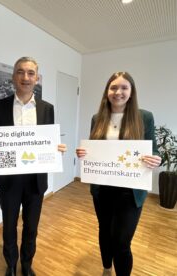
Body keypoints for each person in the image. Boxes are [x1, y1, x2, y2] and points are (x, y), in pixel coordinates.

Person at [0, 57, 66, 276]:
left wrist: (55, 149)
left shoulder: (47, 108)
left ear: (37, 78)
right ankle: (10, 265)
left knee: (31, 227)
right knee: (9, 226)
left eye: (30, 73)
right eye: (20, 72)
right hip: (9, 179)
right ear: (14, 77)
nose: (25, 77)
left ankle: (27, 264)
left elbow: (49, 141)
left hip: (35, 179)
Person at [76, 72, 161, 276]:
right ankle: (106, 269)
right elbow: (93, 148)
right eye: (114, 87)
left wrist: (157, 159)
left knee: (122, 242)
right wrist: (84, 153)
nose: (118, 92)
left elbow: (155, 151)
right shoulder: (97, 118)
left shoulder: (144, 117)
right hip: (102, 188)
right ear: (107, 91)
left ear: (131, 92)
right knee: (105, 232)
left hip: (130, 192)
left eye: (124, 88)